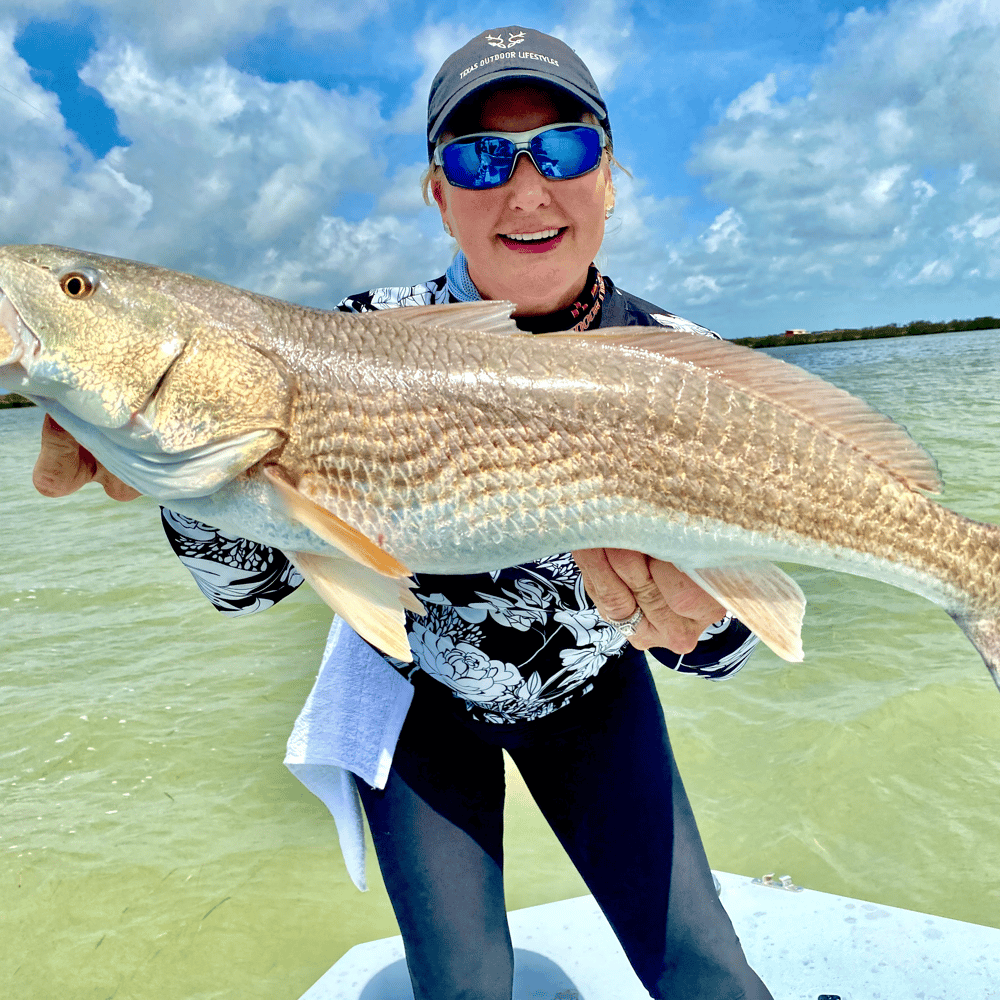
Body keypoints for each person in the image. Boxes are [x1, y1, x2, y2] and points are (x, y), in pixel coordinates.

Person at [33, 26, 773, 1000]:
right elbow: (247, 587)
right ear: (437, 193)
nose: (524, 189)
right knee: (460, 988)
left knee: (709, 973)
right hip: (412, 697)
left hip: (595, 693)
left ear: (609, 175)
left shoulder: (685, 361)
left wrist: (697, 616)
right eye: (478, 157)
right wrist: (175, 471)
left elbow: (735, 643)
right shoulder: (344, 340)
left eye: (562, 147)